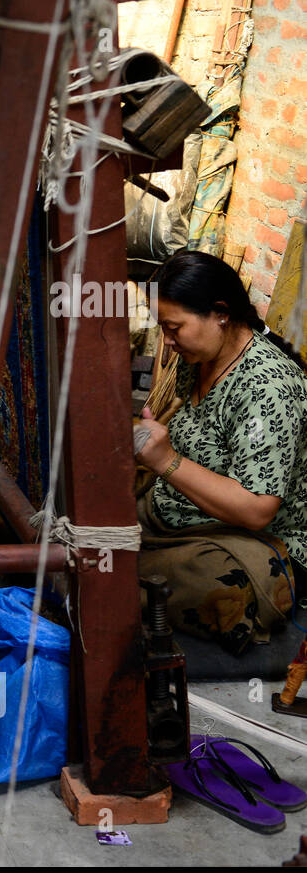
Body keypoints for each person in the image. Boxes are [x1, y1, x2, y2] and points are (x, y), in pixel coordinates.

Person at [134, 249, 307, 661]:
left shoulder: (268, 389)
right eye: (163, 330)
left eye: (174, 328)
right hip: (179, 517)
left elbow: (255, 509)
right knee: (88, 533)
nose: (168, 343)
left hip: (259, 542)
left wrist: (165, 462)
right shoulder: (201, 357)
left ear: (220, 313)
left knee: (203, 587)